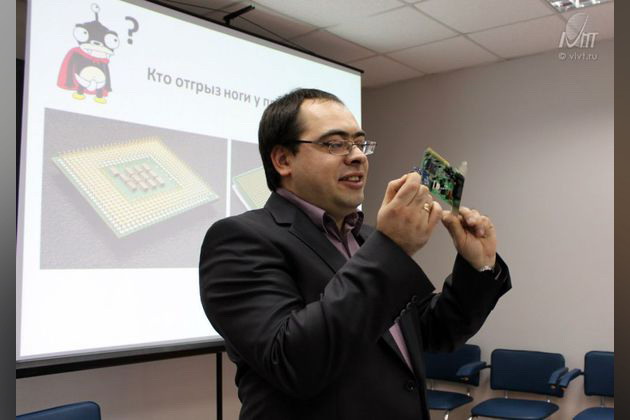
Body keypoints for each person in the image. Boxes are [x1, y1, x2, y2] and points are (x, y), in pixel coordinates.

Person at [199, 88, 511, 420]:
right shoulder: (239, 239)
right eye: (335, 144)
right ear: (283, 160)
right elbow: (293, 361)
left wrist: (477, 268)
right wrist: (391, 249)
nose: (358, 156)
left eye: (360, 144)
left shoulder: (368, 238)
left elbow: (434, 332)